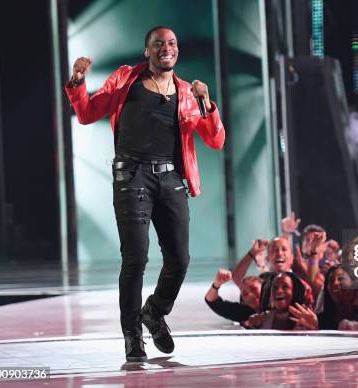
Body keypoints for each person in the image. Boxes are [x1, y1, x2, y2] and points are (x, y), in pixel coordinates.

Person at [65, 26, 226, 362]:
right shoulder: (126, 81)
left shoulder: (187, 94)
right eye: (158, 44)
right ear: (147, 52)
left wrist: (207, 103)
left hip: (171, 181)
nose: (166, 48)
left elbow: (216, 140)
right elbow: (86, 114)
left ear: (176, 51)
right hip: (132, 176)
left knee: (180, 260)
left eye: (171, 44)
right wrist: (78, 82)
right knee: (135, 259)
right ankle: (132, 337)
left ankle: (154, 311)